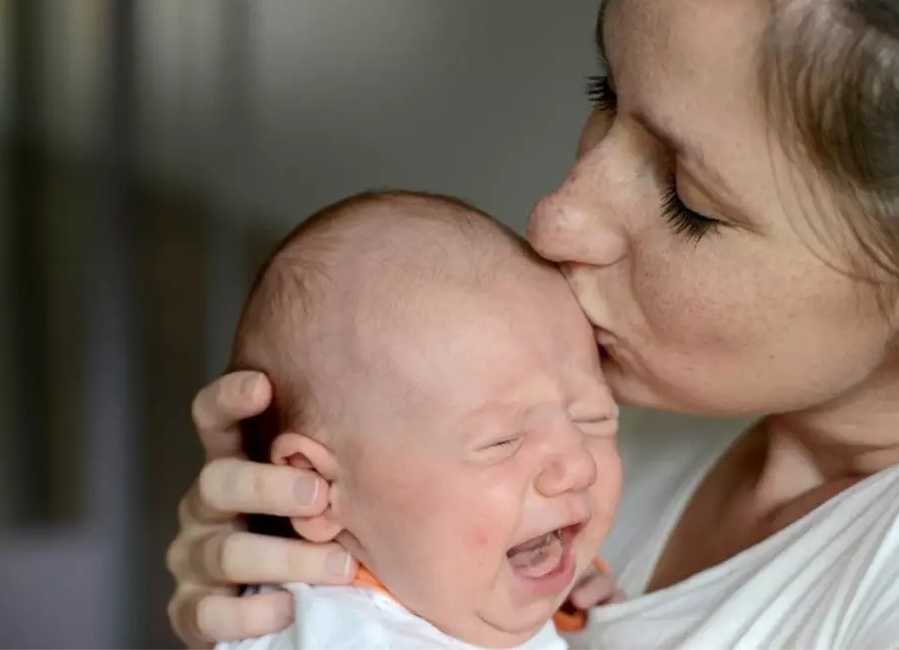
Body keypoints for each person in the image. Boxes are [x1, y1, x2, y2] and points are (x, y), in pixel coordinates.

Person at [166, 0, 899, 649]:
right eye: (607, 92)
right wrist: (334, 599)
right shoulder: (642, 438)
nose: (561, 215)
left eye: (688, 198)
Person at [217, 190, 621, 649]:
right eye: (502, 441)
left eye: (595, 418)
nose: (579, 466)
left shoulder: (435, 592)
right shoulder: (333, 635)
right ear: (320, 491)